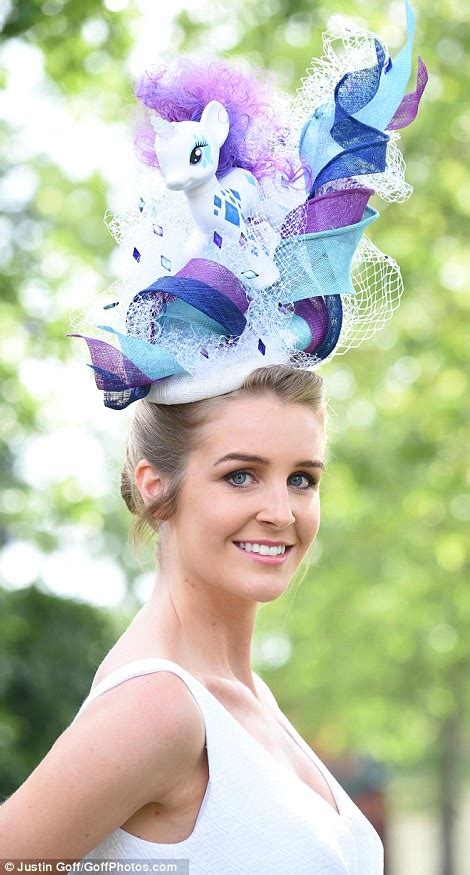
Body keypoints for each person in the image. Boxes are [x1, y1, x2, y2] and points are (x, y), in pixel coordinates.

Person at [0, 3, 426, 870]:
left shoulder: (245, 696)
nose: (281, 509)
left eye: (303, 476)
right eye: (241, 475)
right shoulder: (158, 708)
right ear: (157, 483)